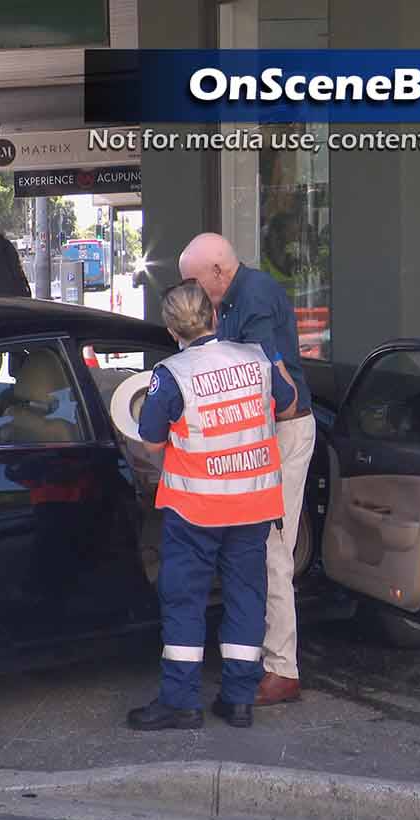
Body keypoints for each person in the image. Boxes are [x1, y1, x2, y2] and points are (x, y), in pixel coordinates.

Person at [126, 281, 295, 731]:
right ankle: (239, 699)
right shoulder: (256, 360)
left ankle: (180, 701)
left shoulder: (172, 373)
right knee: (246, 598)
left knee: (185, 601)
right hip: (253, 505)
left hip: (195, 511)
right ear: (215, 316)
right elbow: (289, 403)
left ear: (170, 328)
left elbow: (151, 438)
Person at [178, 232, 312, 707]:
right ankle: (258, 660)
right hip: (266, 436)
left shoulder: (253, 297)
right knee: (255, 550)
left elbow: (259, 376)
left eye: (194, 284)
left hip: (283, 433)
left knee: (273, 549)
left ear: (218, 272)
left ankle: (282, 670)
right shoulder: (235, 297)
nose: (192, 296)